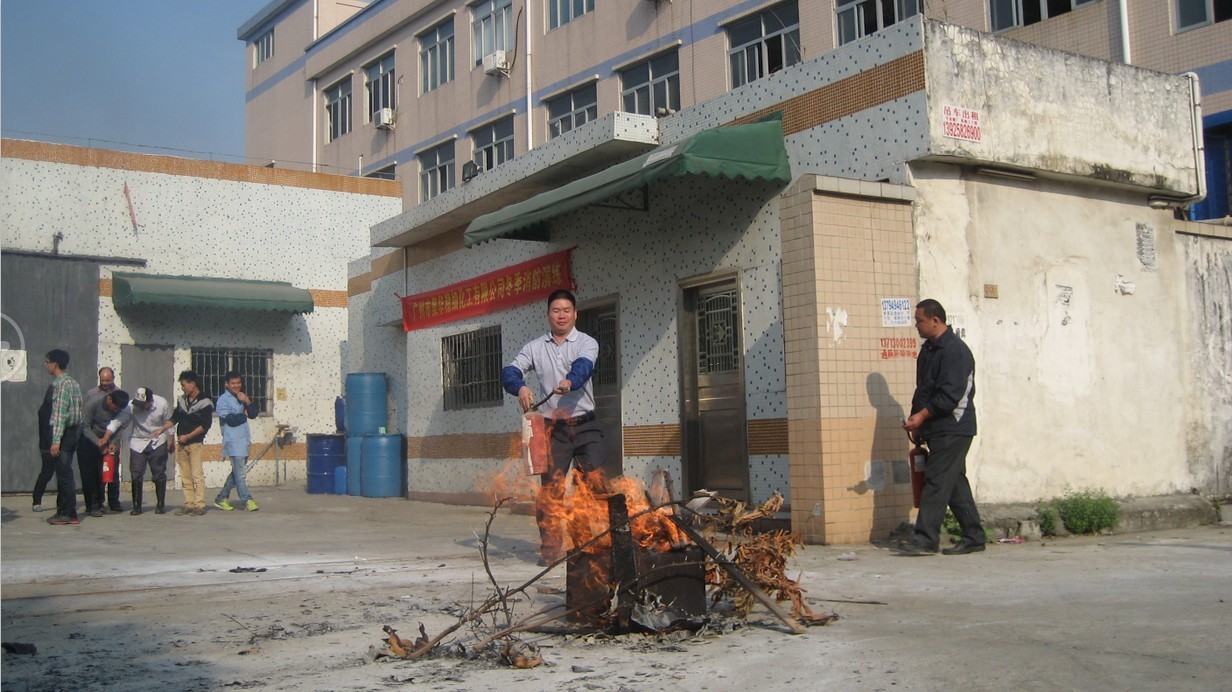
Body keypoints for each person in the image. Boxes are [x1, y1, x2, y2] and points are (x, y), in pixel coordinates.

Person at [500, 289, 605, 565]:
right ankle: (550, 548)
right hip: (554, 431)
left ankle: (584, 544)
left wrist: (570, 382)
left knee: (591, 484)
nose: (561, 315)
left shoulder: (587, 342)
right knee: (551, 491)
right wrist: (520, 387)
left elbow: (583, 368)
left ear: (575, 314)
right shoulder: (535, 347)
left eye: (566, 310)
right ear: (548, 314)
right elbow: (510, 371)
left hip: (586, 427)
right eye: (556, 310)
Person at [900, 299, 987, 556]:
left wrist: (922, 416)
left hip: (954, 427)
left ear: (935, 320)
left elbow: (950, 395)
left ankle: (925, 539)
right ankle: (974, 536)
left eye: (920, 321)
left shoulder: (955, 351)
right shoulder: (929, 350)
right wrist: (917, 420)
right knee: (954, 483)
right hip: (936, 427)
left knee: (936, 480)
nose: (916, 326)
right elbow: (923, 390)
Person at [100, 386, 174, 515]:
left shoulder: (162, 403)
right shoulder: (131, 406)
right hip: (138, 441)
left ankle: (160, 504)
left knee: (158, 473)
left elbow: (169, 421)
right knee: (136, 474)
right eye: (138, 403)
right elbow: (118, 421)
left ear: (150, 401)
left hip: (158, 441)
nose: (139, 406)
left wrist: (171, 440)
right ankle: (137, 506)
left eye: (142, 404)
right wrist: (106, 436)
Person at [41, 349, 83, 525]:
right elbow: (79, 412)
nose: (45, 365)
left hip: (64, 434)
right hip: (73, 432)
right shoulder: (73, 383)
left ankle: (66, 513)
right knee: (66, 473)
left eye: (47, 362)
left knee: (64, 475)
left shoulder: (61, 385)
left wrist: (56, 441)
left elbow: (60, 414)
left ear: (55, 364)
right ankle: (68, 511)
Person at [213, 371, 260, 512]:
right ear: (227, 384)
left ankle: (221, 498)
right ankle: (247, 500)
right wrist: (243, 414)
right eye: (233, 383)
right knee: (240, 474)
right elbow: (232, 420)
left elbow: (253, 414)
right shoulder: (223, 400)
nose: (236, 386)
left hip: (244, 440)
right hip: (233, 441)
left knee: (236, 473)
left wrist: (247, 401)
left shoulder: (241, 397)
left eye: (238, 383)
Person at [79, 389, 130, 517]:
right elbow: (85, 427)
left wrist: (114, 443)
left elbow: (119, 426)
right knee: (91, 475)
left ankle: (110, 502)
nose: (116, 411)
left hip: (109, 441)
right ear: (109, 399)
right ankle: (93, 505)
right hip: (90, 440)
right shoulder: (93, 404)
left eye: (118, 409)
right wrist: (98, 442)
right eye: (115, 408)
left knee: (109, 473)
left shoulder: (121, 409)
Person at [170, 370, 213, 516]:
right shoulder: (182, 400)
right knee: (185, 475)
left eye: (184, 385)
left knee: (196, 475)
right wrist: (162, 429)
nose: (182, 388)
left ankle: (199, 504)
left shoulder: (205, 402)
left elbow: (205, 425)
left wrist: (188, 437)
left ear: (193, 384)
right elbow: (175, 417)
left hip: (195, 443)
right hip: (182, 444)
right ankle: (189, 503)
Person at [85, 366, 123, 512]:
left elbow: (120, 423)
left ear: (113, 379)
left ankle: (114, 502)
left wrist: (114, 442)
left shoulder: (118, 394)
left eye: (108, 380)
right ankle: (98, 502)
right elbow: (86, 423)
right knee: (97, 473)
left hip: (112, 438)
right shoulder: (92, 395)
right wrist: (98, 442)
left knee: (113, 471)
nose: (106, 383)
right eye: (103, 380)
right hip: (95, 438)